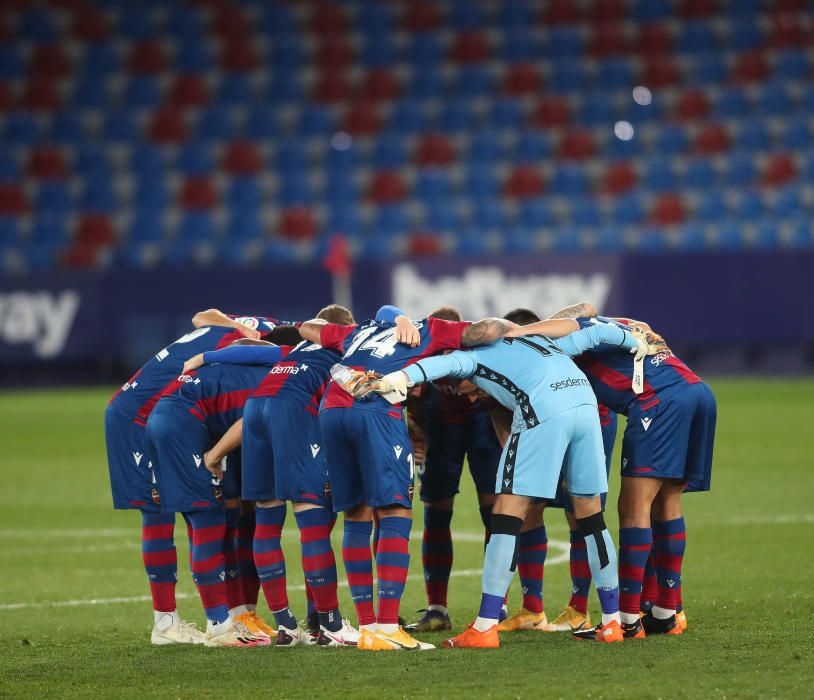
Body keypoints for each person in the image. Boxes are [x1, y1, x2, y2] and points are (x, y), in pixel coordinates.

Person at [353, 321, 662, 647]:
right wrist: (636, 341)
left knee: (506, 514)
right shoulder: (537, 341)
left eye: (461, 388)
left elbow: (438, 365)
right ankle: (613, 623)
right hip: (586, 407)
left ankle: (485, 626)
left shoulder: (471, 358)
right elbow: (596, 334)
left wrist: (393, 379)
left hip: (543, 410)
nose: (467, 395)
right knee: (591, 518)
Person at [300, 309, 512, 651]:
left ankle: (368, 629)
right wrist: (518, 328)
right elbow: (486, 330)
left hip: (332, 410)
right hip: (376, 409)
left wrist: (386, 321)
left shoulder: (360, 330)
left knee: (356, 516)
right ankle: (387, 627)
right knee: (396, 513)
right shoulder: (432, 329)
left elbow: (309, 327)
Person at [510, 314, 715, 637]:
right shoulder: (619, 323)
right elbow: (625, 322)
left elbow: (573, 322)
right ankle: (666, 611)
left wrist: (518, 333)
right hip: (696, 390)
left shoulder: (575, 338)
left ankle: (628, 620)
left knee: (634, 509)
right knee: (667, 503)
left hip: (656, 403)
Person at [184, 306, 364, 648]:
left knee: (267, 519)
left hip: (256, 409)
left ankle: (285, 626)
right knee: (311, 518)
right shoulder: (349, 346)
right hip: (292, 411)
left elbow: (253, 351)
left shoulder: (293, 350)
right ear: (345, 328)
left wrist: (204, 357)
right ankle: (330, 625)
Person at [105, 310, 283, 645]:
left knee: (167, 513)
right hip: (145, 417)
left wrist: (233, 325)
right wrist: (242, 332)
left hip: (143, 411)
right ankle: (214, 625)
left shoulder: (222, 329)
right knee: (200, 512)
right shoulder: (244, 344)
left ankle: (169, 623)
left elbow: (201, 316)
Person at [146, 358, 276, 647]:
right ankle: (220, 627)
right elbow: (246, 424)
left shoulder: (262, 367)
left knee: (202, 519)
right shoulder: (280, 383)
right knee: (207, 520)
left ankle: (220, 621)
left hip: (167, 418)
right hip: (184, 424)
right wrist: (214, 456)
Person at [402, 307, 503, 634]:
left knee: (495, 513)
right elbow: (410, 398)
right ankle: (437, 609)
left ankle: (496, 605)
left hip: (481, 423)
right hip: (441, 426)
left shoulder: (482, 349)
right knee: (436, 511)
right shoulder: (423, 348)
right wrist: (416, 434)